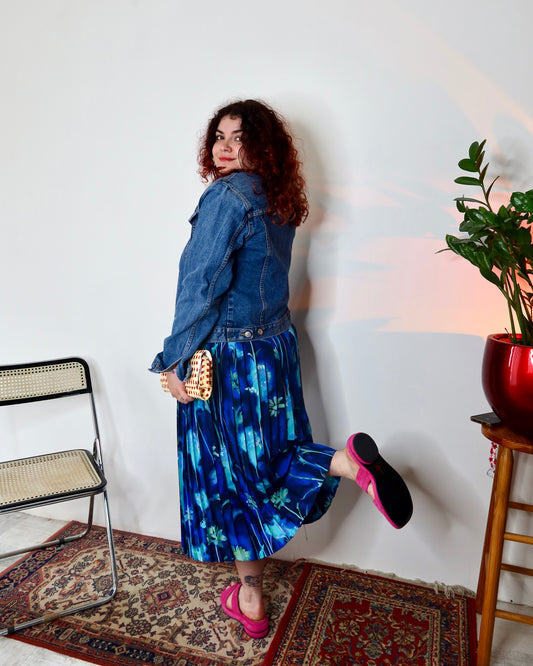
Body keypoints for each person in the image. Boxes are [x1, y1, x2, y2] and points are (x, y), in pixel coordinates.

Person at [150, 99, 412, 639]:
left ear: (262, 146)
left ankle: (253, 593)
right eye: (219, 136)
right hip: (273, 351)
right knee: (267, 463)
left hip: (225, 362)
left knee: (233, 480)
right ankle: (343, 466)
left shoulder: (226, 197)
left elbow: (200, 286)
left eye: (239, 137)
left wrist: (174, 360)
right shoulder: (275, 197)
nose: (225, 147)